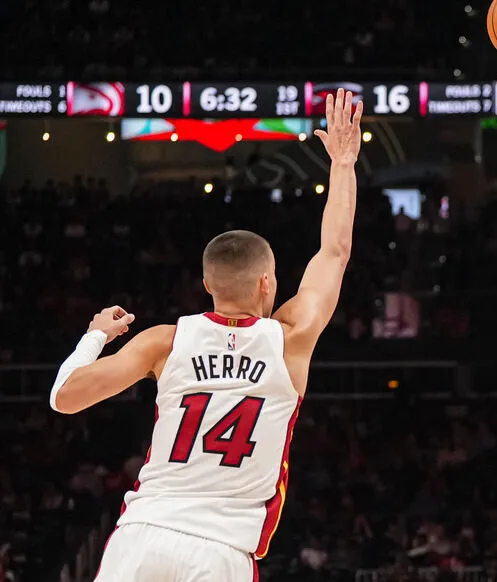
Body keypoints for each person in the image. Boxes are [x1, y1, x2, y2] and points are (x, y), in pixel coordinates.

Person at [48, 89, 364, 582]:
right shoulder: (290, 338)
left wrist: (93, 337)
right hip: (221, 550)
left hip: (143, 535)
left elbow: (64, 399)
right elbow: (335, 252)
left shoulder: (165, 341)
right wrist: (343, 161)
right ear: (267, 283)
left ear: (206, 285)